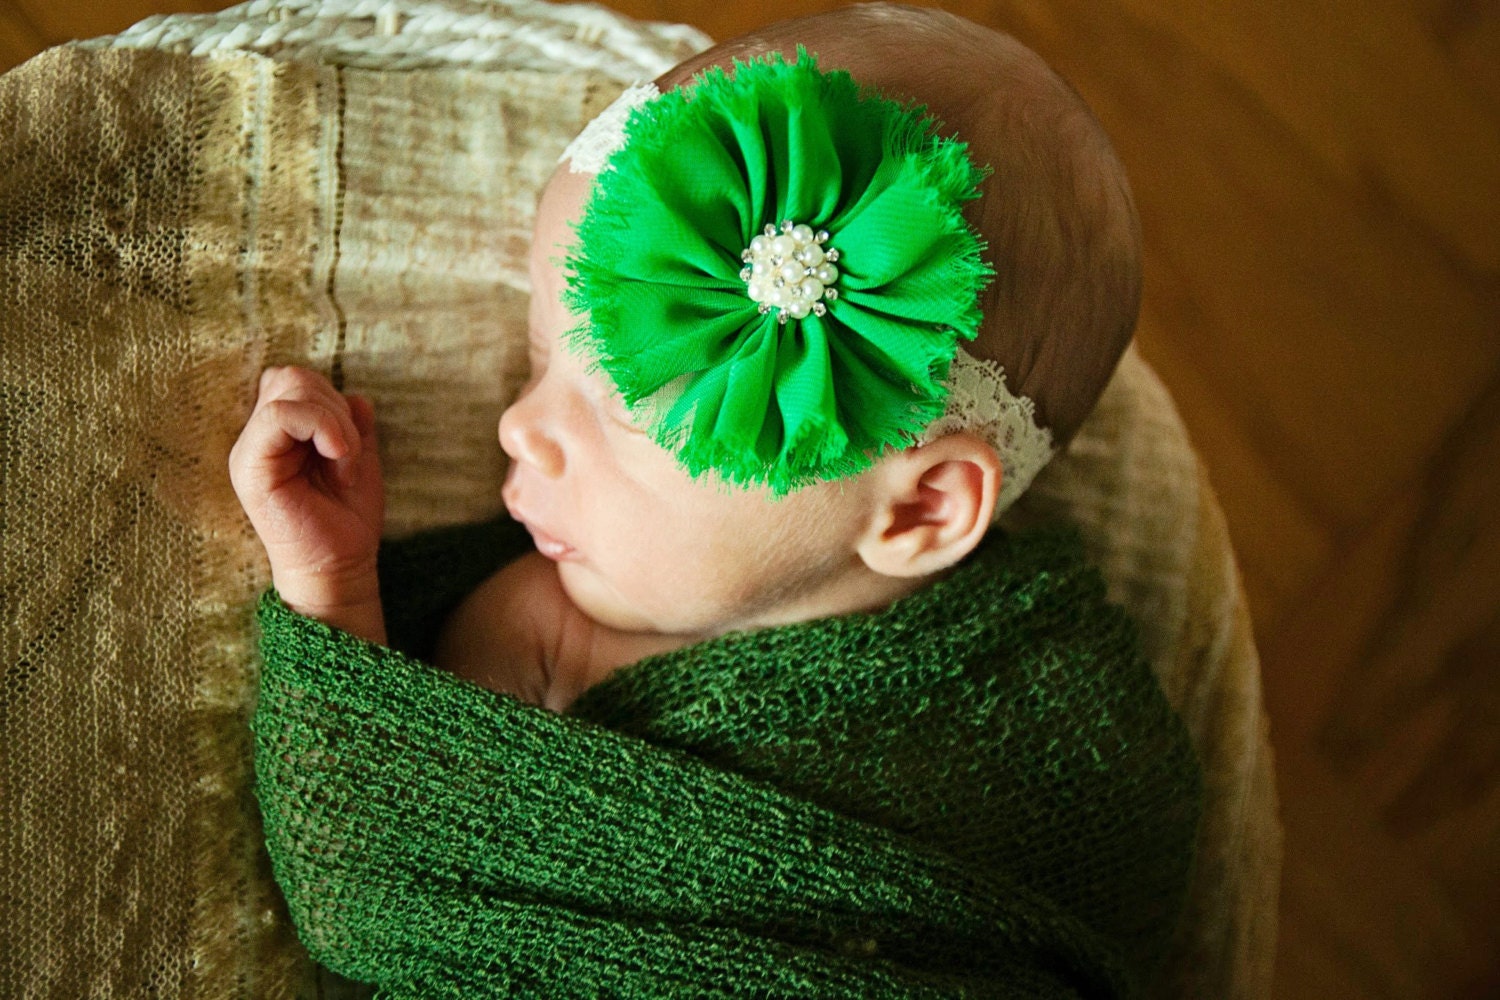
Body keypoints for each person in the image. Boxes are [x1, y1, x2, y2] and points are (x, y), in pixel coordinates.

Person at [231, 6, 1202, 995]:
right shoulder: (545, 627)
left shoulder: (1067, 726)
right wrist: (333, 579)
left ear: (922, 511)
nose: (521, 427)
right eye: (538, 356)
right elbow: (391, 873)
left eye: (621, 414)